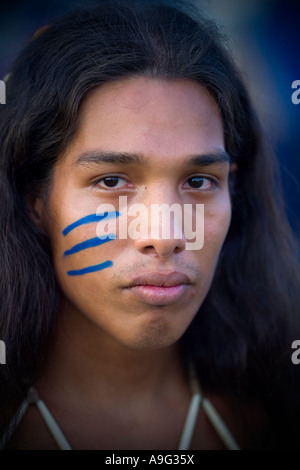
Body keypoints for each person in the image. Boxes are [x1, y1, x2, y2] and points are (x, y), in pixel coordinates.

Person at [0, 0, 299, 450]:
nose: (164, 235)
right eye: (112, 180)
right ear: (35, 199)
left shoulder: (274, 412)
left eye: (199, 181)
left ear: (233, 190)